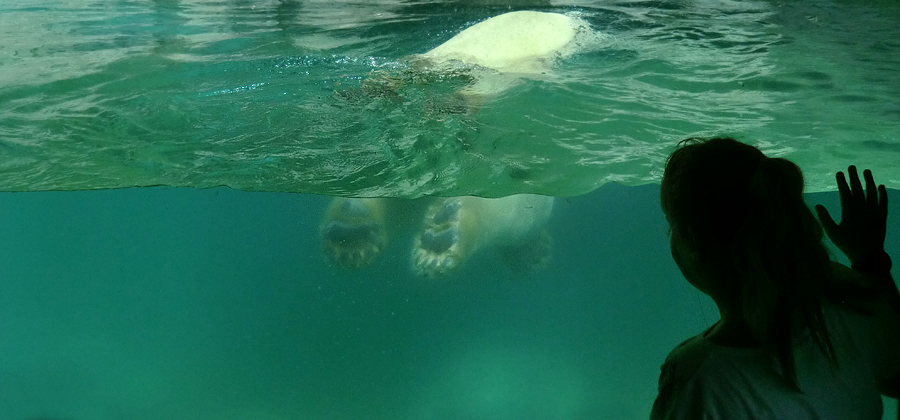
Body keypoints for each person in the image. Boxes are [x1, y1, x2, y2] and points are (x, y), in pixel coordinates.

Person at [651, 137, 900, 419]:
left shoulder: (694, 375)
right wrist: (871, 262)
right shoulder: (849, 299)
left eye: (670, 225)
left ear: (693, 241)